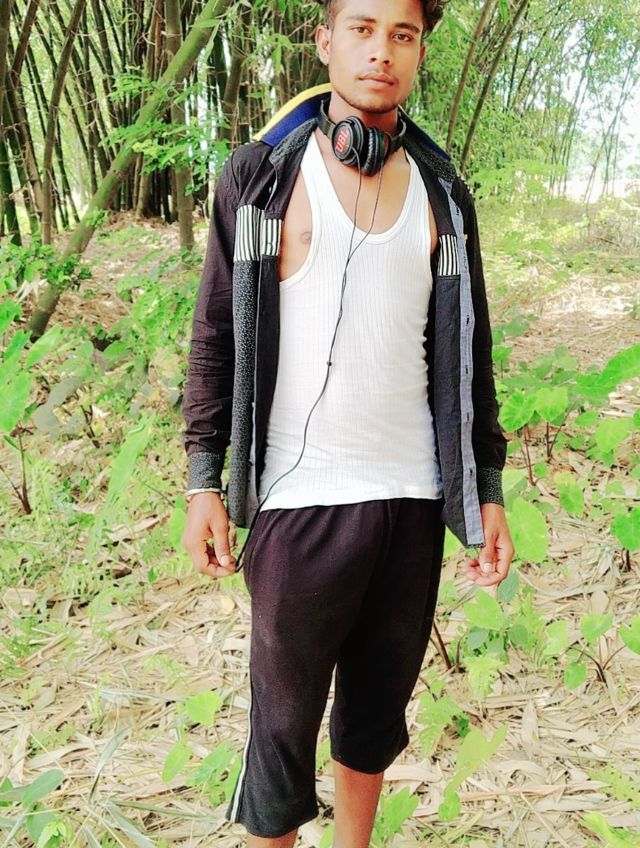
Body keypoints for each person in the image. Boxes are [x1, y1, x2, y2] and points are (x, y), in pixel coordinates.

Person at [181, 0, 515, 844]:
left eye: (402, 35)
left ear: (420, 51)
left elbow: (470, 351)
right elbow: (215, 334)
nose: (381, 52)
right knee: (280, 737)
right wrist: (202, 480)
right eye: (362, 30)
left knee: (373, 720)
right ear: (326, 39)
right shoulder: (260, 179)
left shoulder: (446, 194)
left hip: (412, 499)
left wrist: (488, 490)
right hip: (299, 506)